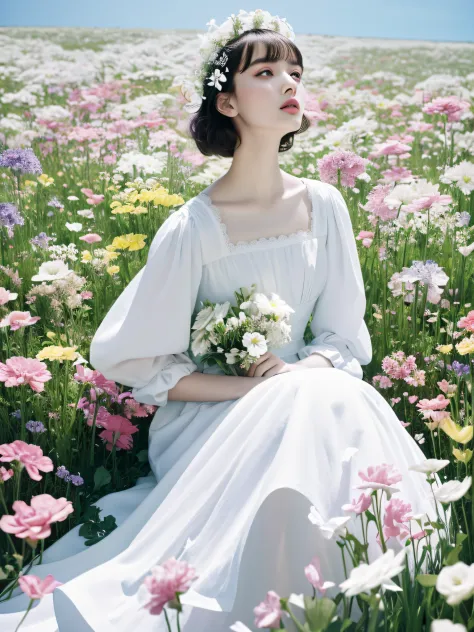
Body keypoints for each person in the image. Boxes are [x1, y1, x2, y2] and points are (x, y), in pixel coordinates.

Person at [0, 12, 443, 632]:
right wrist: (257, 387)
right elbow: (139, 364)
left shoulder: (326, 205)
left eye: (295, 71)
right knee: (317, 398)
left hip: (304, 390)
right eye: (266, 72)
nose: (290, 82)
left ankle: (370, 589)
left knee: (333, 393)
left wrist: (295, 375)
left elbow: (343, 339)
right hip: (211, 416)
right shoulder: (194, 227)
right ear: (228, 100)